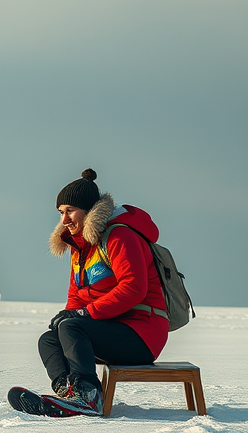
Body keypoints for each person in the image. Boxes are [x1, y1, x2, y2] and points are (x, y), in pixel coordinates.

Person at [9, 168, 169, 417]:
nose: (64, 219)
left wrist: (84, 314)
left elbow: (133, 289)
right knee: (49, 339)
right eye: (61, 213)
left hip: (142, 333)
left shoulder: (119, 236)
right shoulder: (79, 246)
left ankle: (88, 396)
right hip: (110, 328)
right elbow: (77, 295)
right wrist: (68, 313)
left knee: (72, 327)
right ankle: (68, 392)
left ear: (89, 210)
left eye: (70, 211)